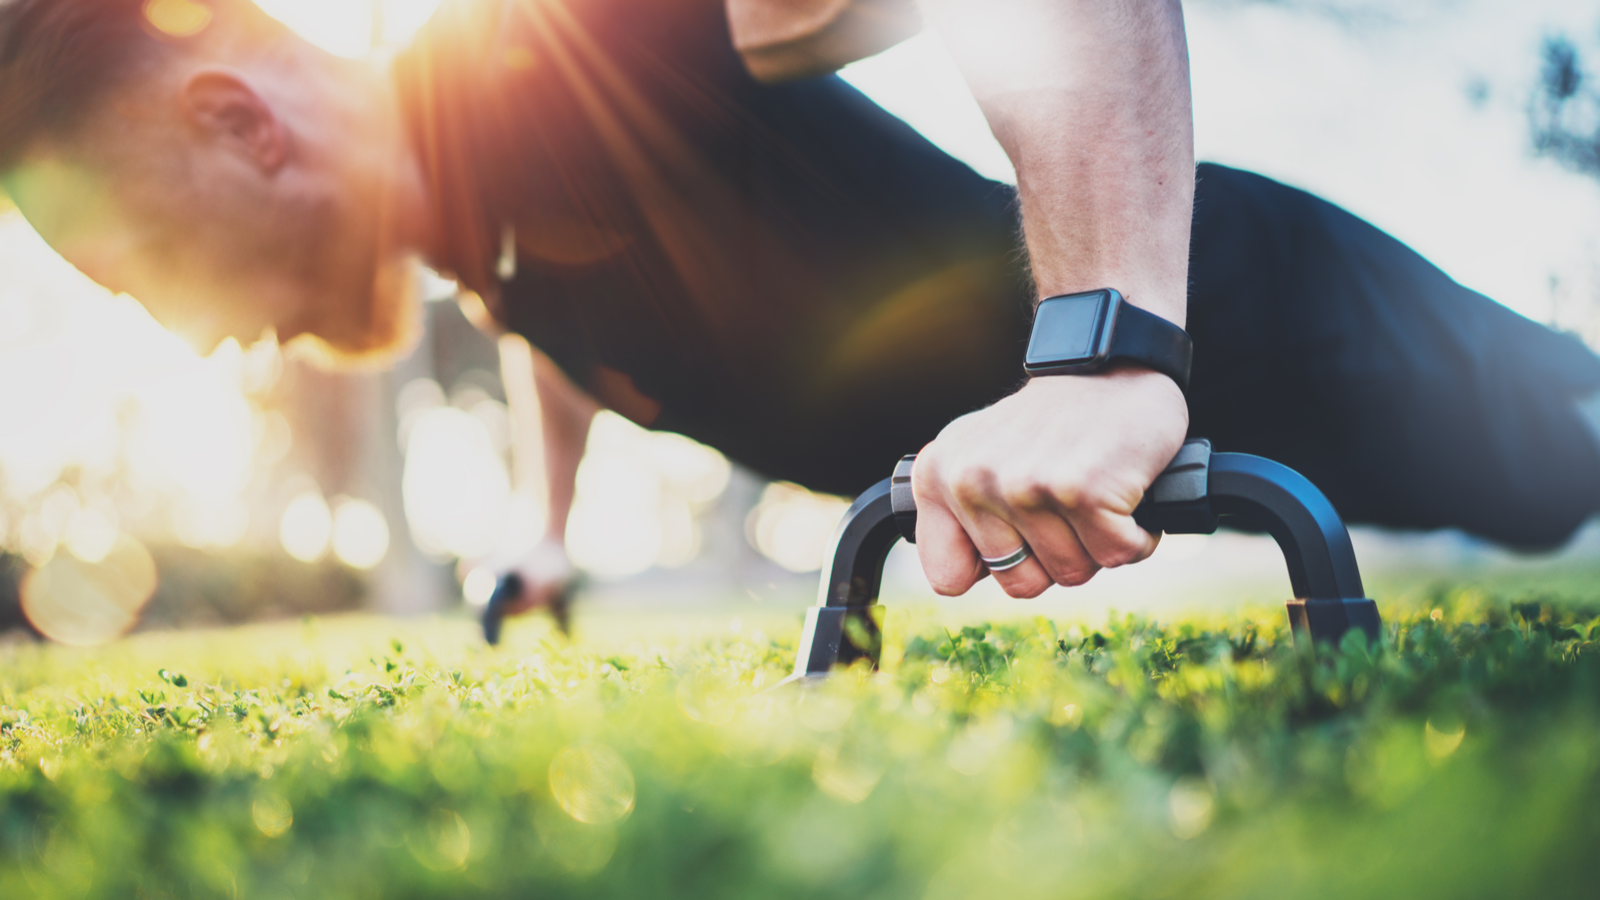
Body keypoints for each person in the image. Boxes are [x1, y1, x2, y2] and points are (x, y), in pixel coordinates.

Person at [3, 0, 1598, 621]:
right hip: (1188, 417)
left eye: (143, 268)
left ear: (236, 124)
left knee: (1563, 463)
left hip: (1266, 323)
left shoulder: (557, 44)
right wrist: (544, 528)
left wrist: (1108, 346)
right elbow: (546, 317)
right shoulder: (466, 214)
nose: (187, 334)